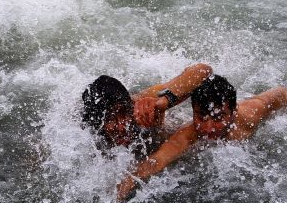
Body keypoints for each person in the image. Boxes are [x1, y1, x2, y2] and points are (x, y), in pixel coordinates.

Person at [116, 75, 287, 201]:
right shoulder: (189, 134)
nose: (208, 128)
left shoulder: (252, 112)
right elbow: (157, 160)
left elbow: (281, 93)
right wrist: (126, 184)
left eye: (218, 117)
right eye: (201, 116)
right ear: (193, 111)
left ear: (233, 110)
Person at [82, 63, 214, 156]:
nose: (122, 125)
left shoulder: (140, 103)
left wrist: (164, 102)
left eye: (123, 113)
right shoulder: (85, 136)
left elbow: (202, 70)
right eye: (111, 118)